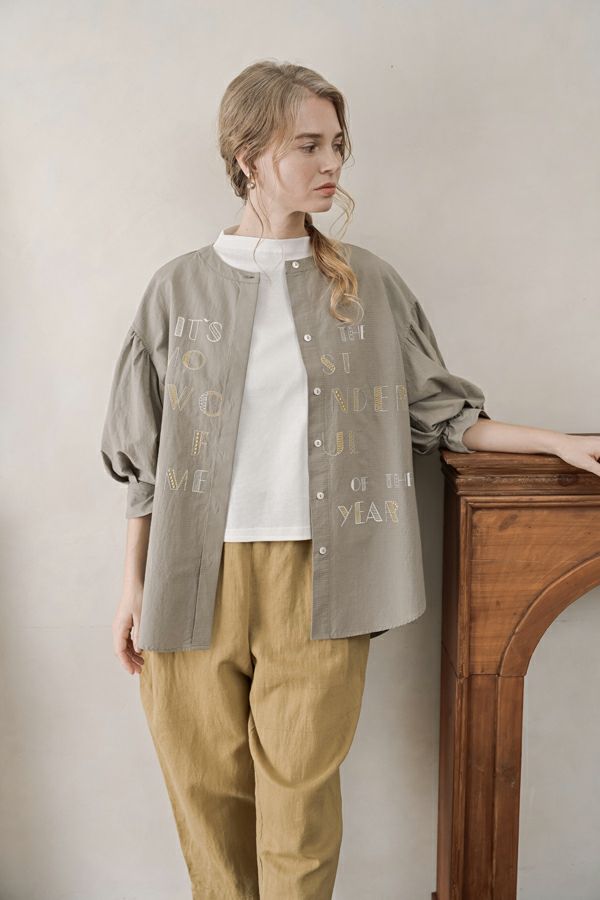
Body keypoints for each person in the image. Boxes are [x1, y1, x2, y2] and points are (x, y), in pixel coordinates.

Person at [100, 60, 600, 900]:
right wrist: (131, 587)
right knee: (205, 800)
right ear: (249, 154)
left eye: (337, 143)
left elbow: (441, 415)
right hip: (191, 577)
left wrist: (557, 442)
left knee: (299, 810)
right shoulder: (177, 290)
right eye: (309, 144)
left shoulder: (365, 284)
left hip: (322, 577)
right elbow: (145, 462)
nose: (332, 161)